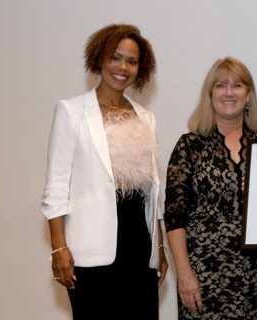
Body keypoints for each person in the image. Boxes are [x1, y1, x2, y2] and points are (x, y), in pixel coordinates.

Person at [41, 24, 167, 319]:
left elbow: (153, 191)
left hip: (139, 244)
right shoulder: (71, 111)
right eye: (115, 57)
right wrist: (59, 248)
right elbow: (56, 186)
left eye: (132, 61)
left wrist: (159, 247)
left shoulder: (146, 117)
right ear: (99, 58)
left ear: (141, 68)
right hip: (91, 251)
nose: (122, 67)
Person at [164, 57, 257, 319]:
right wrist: (184, 273)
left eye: (237, 85)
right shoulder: (189, 146)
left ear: (248, 95)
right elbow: (174, 216)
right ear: (209, 94)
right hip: (203, 274)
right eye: (220, 85)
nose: (228, 92)